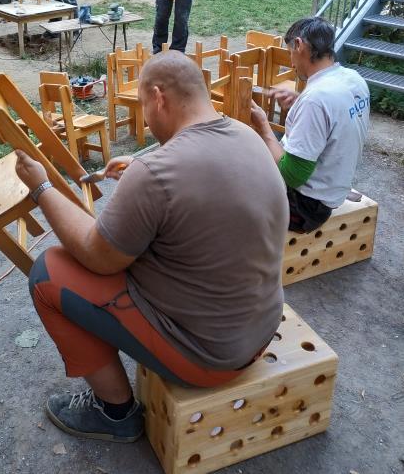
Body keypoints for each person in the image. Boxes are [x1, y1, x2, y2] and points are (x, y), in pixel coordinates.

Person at [15, 51, 289, 443]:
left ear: (158, 97)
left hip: (209, 357)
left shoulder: (154, 174)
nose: (145, 116)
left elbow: (97, 256)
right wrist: (150, 164)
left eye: (144, 105)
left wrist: (42, 187)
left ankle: (114, 413)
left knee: (47, 273)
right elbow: (198, 178)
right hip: (259, 329)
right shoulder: (246, 135)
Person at [250, 16, 370, 234]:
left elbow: (292, 175)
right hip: (332, 189)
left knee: (233, 179)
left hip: (305, 208)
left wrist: (263, 128)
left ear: (299, 45)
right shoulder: (353, 79)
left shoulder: (316, 99)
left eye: (290, 54)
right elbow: (334, 116)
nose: (292, 63)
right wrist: (299, 102)